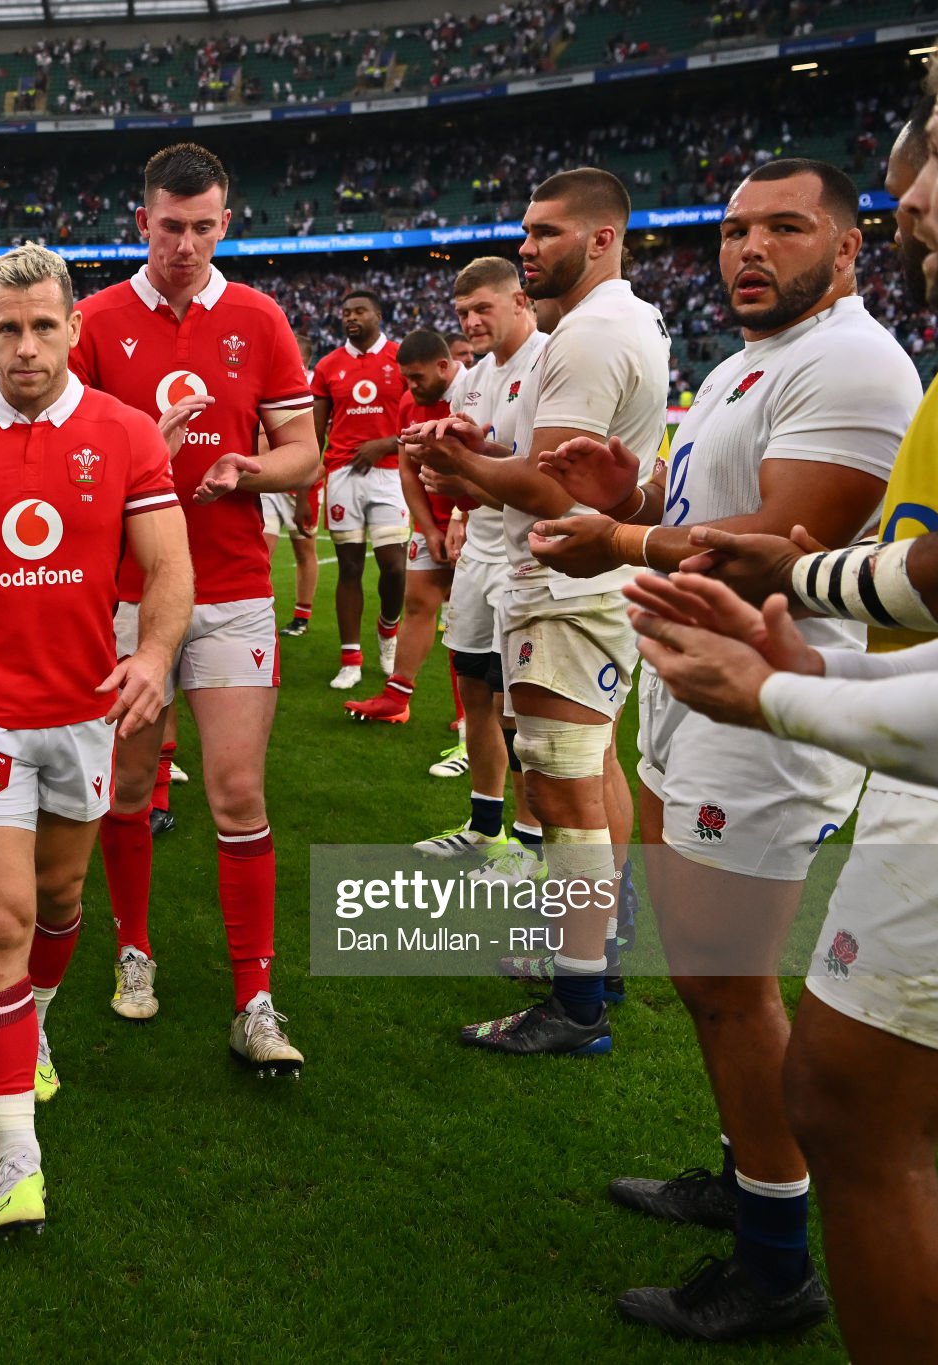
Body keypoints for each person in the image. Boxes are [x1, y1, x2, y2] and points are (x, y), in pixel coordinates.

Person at [626, 5, 938, 1358]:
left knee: (848, 1100)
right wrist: (799, 607)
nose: (905, 184)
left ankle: (772, 1252)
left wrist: (776, 693)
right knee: (874, 1108)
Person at [532, 159, 921, 1337]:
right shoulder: (756, 359)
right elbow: (706, 498)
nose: (748, 249)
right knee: (705, 982)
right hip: (696, 695)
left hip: (766, 714)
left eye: (784, 228)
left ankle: (774, 1259)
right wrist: (632, 485)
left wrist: (622, 534)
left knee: (726, 988)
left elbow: (773, 538)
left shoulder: (850, 361)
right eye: (734, 229)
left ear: (845, 249)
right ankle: (746, 1175)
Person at [0, 244, 191, 1232]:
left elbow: (168, 565)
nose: (25, 347)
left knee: (61, 897)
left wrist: (150, 658)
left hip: (84, 715)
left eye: (43, 326)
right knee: (0, 920)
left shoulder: (127, 435)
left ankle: (36, 1025)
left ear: (71, 329)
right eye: (7, 329)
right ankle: (17, 1154)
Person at [402, 168, 668, 1058]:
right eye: (525, 231)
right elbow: (548, 458)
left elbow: (554, 486)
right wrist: (484, 449)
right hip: (577, 582)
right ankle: (603, 951)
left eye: (547, 232)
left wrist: (461, 468)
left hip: (565, 584)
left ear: (600, 238)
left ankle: (578, 1000)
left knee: (559, 783)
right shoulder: (609, 321)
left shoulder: (590, 333)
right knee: (591, 770)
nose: (527, 248)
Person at [68, 143, 319, 1061]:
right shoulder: (91, 321)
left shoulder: (260, 317)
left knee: (238, 789)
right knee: (130, 783)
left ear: (226, 222)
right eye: (169, 227)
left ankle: (256, 999)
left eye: (202, 226)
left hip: (233, 585)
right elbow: (64, 462)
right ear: (143, 222)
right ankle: (135, 950)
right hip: (126, 595)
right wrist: (139, 444)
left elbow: (304, 451)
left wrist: (247, 467)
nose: (184, 244)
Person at [410, 258, 548, 859]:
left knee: (519, 709)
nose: (469, 321)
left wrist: (469, 478)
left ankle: (529, 837)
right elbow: (473, 465)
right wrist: (460, 508)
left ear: (520, 302)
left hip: (528, 555)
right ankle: (484, 826)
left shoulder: (550, 361)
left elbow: (541, 478)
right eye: (462, 312)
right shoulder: (470, 378)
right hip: (479, 554)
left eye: (482, 308)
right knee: (473, 693)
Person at [343, 327, 465, 726]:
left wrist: (462, 519)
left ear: (443, 366)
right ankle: (397, 697)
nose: (410, 387)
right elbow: (408, 471)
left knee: (467, 618)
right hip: (434, 522)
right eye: (405, 379)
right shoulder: (410, 403)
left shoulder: (473, 393)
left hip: (477, 523)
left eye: (417, 378)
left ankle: (469, 717)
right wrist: (428, 528)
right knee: (417, 604)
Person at [313, 287, 409, 687]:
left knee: (394, 566)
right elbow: (315, 433)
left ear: (378, 315)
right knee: (349, 567)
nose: (351, 318)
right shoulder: (328, 366)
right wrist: (310, 481)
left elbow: (421, 416)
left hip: (390, 473)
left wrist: (387, 443)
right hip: (343, 475)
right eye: (346, 312)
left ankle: (388, 630)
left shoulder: (402, 358)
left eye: (360, 311)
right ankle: (350, 658)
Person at [262, 327, 324, 637]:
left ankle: (301, 615)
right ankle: (259, 615)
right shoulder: (265, 378)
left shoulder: (311, 388)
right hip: (267, 479)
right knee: (262, 551)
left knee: (304, 550)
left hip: (302, 481)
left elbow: (315, 444)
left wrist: (303, 492)